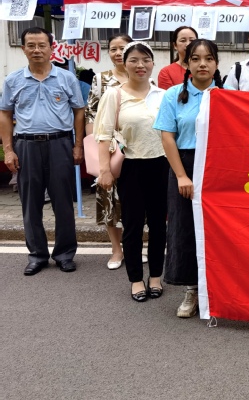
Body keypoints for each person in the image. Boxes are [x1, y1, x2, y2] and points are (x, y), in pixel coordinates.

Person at [0, 27, 85, 276]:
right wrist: (8, 150)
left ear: (51, 48)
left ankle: (64, 254)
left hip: (59, 144)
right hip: (26, 145)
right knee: (30, 203)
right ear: (23, 48)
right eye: (31, 45)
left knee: (63, 202)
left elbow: (79, 111)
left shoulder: (66, 78)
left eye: (41, 45)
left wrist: (78, 145)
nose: (36, 50)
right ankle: (37, 255)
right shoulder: (13, 80)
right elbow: (5, 114)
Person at [155, 39, 226, 318]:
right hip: (184, 165)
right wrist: (181, 176)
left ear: (217, 63)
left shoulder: (228, 96)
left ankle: (220, 289)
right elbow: (167, 136)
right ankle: (191, 289)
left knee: (219, 230)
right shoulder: (174, 95)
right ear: (187, 63)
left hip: (219, 168)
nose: (202, 64)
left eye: (209, 59)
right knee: (185, 227)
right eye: (195, 59)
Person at [95, 42, 167, 302]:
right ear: (124, 64)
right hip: (131, 167)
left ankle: (156, 276)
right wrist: (105, 170)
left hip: (161, 165)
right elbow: (103, 135)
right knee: (133, 225)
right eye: (134, 60)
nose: (140, 65)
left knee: (159, 225)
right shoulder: (114, 95)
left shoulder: (163, 95)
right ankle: (136, 279)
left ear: (152, 63)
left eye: (146, 60)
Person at [86, 33, 135, 269]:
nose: (118, 53)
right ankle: (116, 250)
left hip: (135, 149)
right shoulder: (101, 79)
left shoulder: (142, 76)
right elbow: (90, 114)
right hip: (108, 147)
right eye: (113, 49)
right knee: (108, 198)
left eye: (122, 48)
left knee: (134, 200)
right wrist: (95, 147)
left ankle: (134, 246)